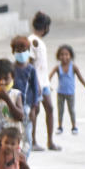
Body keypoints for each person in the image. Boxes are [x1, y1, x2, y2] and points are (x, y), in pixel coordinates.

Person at [28, 12, 58, 150]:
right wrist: (36, 83)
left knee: (49, 109)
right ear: (45, 27)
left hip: (44, 82)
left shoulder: (38, 41)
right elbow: (30, 64)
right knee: (36, 110)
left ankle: (49, 141)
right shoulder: (33, 41)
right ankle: (33, 141)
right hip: (37, 83)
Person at [11, 35, 42, 152]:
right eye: (18, 50)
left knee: (27, 135)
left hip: (27, 106)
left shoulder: (31, 69)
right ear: (13, 51)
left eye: (24, 50)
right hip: (13, 106)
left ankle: (24, 158)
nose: (21, 53)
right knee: (15, 134)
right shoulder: (11, 68)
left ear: (28, 51)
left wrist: (34, 107)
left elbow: (35, 89)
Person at [49, 44, 85, 135]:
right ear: (58, 56)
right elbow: (49, 77)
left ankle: (74, 126)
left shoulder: (73, 67)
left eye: (66, 54)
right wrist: (49, 85)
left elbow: (80, 78)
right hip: (60, 93)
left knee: (71, 110)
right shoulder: (57, 67)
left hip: (70, 93)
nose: (64, 57)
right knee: (60, 110)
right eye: (62, 54)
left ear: (70, 56)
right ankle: (60, 127)